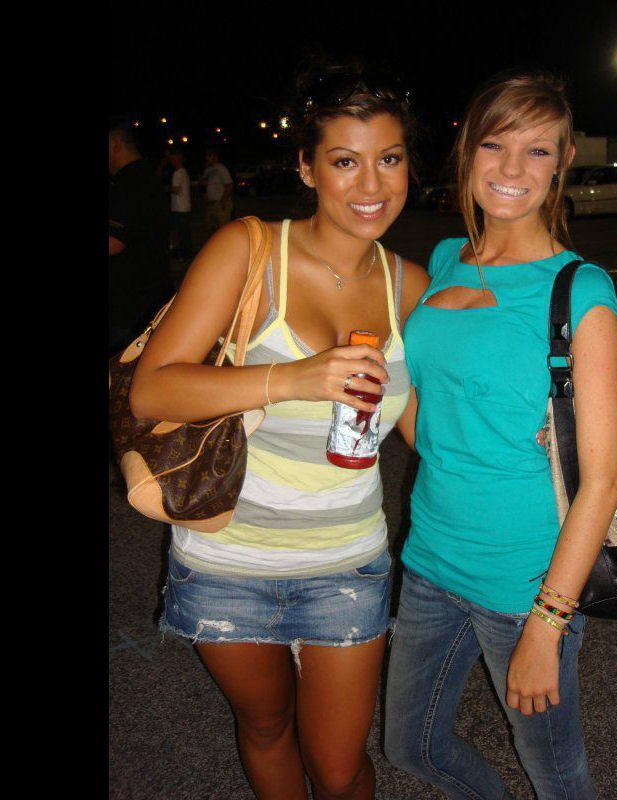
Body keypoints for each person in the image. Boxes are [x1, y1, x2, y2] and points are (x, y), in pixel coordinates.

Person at [128, 68, 429, 800]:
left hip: (347, 562)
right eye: (345, 160)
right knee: (265, 728)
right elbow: (152, 388)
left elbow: (429, 433)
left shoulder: (412, 287)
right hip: (225, 559)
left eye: (389, 158)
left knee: (340, 767)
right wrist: (293, 378)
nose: (371, 184)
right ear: (306, 167)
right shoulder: (250, 250)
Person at [384, 69, 617, 800]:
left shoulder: (581, 290)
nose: (512, 168)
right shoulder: (447, 258)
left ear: (563, 161)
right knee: (411, 747)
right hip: (430, 560)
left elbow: (603, 480)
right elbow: (430, 420)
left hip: (524, 583)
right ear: (468, 149)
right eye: (495, 144)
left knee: (555, 773)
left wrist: (547, 626)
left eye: (537, 150)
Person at [109, 120, 172, 354]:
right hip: (146, 293)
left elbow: (113, 242)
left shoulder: (130, 182)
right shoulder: (143, 176)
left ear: (115, 145)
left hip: (130, 301)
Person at [165, 147, 193, 260]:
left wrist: (167, 188)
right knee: (183, 232)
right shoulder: (183, 172)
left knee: (182, 233)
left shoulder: (178, 173)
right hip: (182, 206)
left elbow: (176, 189)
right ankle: (185, 253)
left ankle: (185, 254)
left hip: (180, 207)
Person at [199, 147, 234, 237]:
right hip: (211, 204)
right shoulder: (208, 170)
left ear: (215, 157)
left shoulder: (221, 169)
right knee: (211, 229)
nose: (207, 158)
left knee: (223, 230)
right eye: (207, 156)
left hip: (220, 203)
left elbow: (229, 185)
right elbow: (203, 184)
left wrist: (223, 200)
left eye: (209, 156)